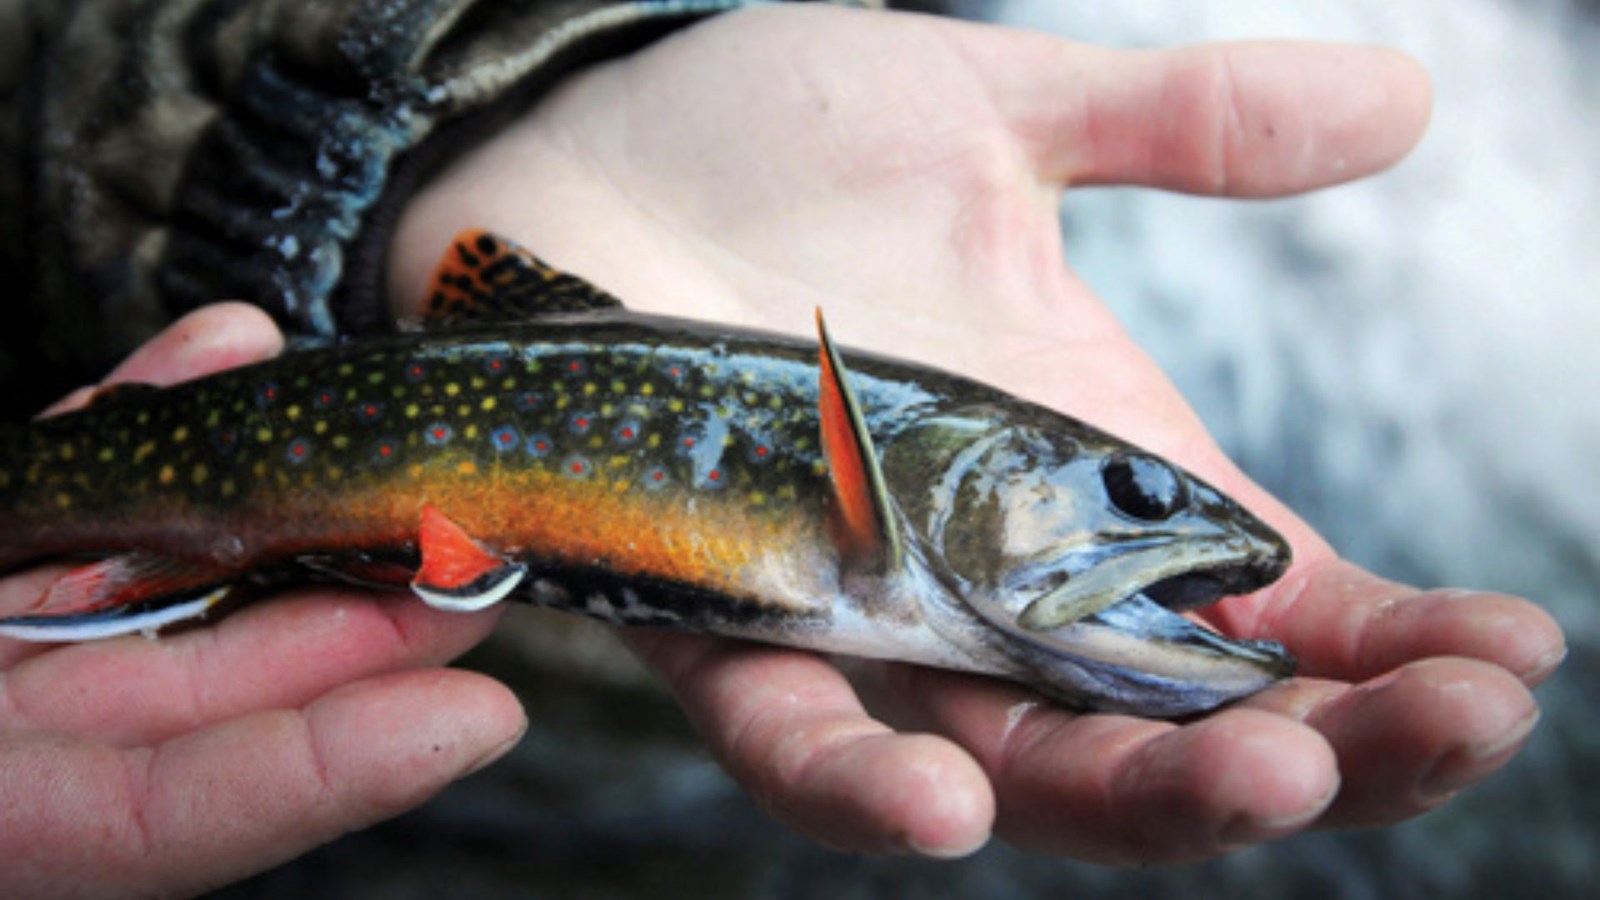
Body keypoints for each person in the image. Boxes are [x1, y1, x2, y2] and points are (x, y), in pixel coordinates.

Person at [0, 4, 1565, 895]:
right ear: (932, 481)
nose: (1168, 528)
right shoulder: (867, 504)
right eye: (1131, 495)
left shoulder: (907, 546)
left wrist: (442, 138)